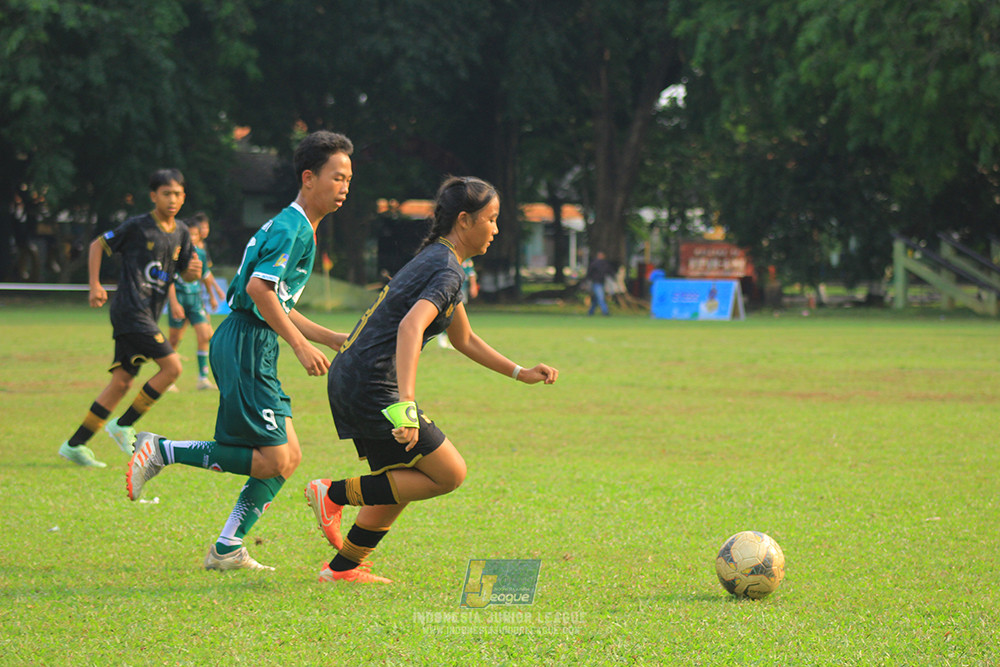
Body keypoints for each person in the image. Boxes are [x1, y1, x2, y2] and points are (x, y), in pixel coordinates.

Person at [305, 176, 559, 584]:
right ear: (464, 220)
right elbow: (411, 326)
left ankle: (343, 568)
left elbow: (464, 338)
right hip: (371, 383)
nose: (496, 229)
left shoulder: (441, 260)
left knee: (404, 477)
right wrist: (406, 406)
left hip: (355, 375)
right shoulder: (446, 269)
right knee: (448, 473)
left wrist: (520, 372)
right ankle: (332, 494)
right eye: (491, 219)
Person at [125, 131, 354, 572]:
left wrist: (328, 337)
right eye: (337, 177)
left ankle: (227, 547)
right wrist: (300, 344)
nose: (344, 187)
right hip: (247, 341)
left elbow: (278, 301)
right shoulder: (292, 229)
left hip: (253, 341)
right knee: (274, 458)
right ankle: (162, 451)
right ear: (309, 178)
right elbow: (258, 291)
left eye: (348, 179)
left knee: (288, 457)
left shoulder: (297, 226)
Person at [58, 169, 202, 468]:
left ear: (183, 196)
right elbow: (98, 245)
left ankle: (74, 445)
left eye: (177, 194)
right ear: (153, 196)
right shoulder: (138, 226)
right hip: (130, 310)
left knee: (122, 382)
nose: (172, 199)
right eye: (166, 193)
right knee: (173, 367)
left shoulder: (182, 232)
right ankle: (123, 425)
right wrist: (95, 285)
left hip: (148, 314)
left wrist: (192, 273)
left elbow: (186, 273)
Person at [165, 215, 226, 390]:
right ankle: (168, 379)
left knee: (204, 336)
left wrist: (212, 296)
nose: (191, 238)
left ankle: (203, 379)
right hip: (179, 298)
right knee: (174, 339)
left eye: (194, 235)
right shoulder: (174, 254)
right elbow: (168, 279)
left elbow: (205, 276)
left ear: (199, 236)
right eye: (188, 234)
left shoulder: (201, 254)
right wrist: (174, 303)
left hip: (195, 300)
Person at [586, 251, 614, 316]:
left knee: (596, 299)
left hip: (601, 282)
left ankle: (591, 312)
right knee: (601, 297)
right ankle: (605, 311)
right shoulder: (597, 264)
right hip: (596, 283)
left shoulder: (602, 264)